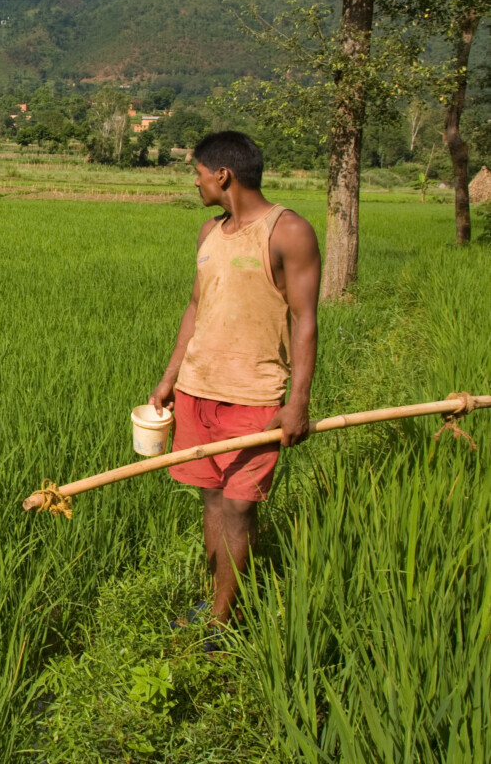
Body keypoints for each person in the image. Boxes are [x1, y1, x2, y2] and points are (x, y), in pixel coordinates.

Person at [149, 131, 320, 629]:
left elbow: (305, 319)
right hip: (197, 391)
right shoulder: (208, 232)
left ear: (222, 176)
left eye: (197, 174)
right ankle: (214, 600)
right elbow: (196, 305)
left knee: (240, 507)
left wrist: (298, 403)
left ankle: (224, 622)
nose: (195, 183)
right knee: (211, 501)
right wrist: (169, 378)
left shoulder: (288, 232)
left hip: (254, 395)